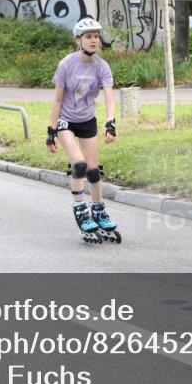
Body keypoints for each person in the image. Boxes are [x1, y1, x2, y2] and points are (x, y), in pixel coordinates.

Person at [47, 18, 120, 244]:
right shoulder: (66, 64)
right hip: (66, 121)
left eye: (96, 36)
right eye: (88, 37)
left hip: (87, 119)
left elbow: (109, 97)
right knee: (78, 165)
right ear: (78, 40)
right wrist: (51, 131)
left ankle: (98, 210)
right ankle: (80, 209)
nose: (93, 40)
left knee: (93, 171)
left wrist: (110, 122)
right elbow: (57, 100)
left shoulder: (102, 66)